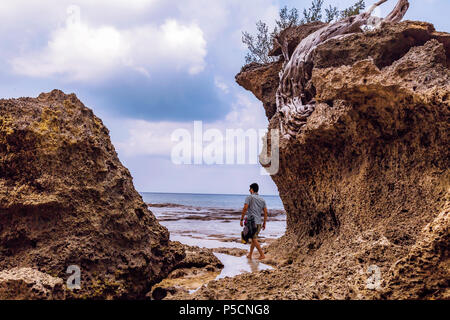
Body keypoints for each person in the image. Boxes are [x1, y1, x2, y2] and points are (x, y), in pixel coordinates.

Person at [240, 183, 268, 260]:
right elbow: (265, 212)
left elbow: (245, 208)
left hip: (252, 223)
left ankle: (262, 255)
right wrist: (264, 223)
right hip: (259, 222)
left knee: (254, 239)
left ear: (252, 189)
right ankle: (250, 254)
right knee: (253, 238)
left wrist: (241, 219)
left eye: (249, 189)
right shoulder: (262, 199)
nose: (249, 190)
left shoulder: (249, 197)